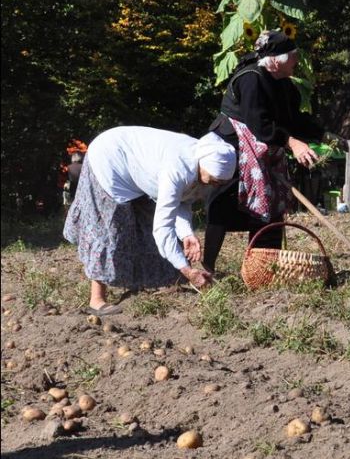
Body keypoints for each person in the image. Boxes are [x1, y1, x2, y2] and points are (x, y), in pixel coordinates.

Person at [63, 126, 236, 316]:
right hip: (109, 160)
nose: (216, 185)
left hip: (134, 168)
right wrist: (187, 270)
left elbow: (182, 201)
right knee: (110, 230)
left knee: (145, 225)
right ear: (204, 167)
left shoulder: (201, 165)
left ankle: (165, 282)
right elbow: (163, 228)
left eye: (220, 182)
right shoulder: (177, 169)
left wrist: (187, 233)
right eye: (214, 180)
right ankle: (96, 300)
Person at [203, 29, 321, 272]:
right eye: (292, 57)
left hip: (266, 147)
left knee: (272, 203)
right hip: (232, 145)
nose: (296, 61)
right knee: (223, 203)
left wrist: (323, 133)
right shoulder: (250, 79)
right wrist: (292, 143)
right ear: (276, 60)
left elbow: (293, 118)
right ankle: (208, 267)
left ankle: (264, 266)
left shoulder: (284, 84)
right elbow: (261, 125)